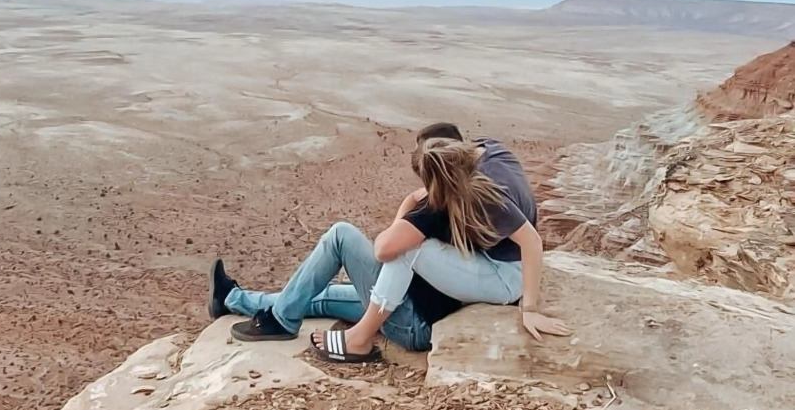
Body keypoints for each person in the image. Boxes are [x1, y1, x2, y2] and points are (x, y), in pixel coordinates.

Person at [207, 122, 569, 362]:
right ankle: (235, 300)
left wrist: (530, 308)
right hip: (417, 299)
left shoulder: (454, 204)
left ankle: (357, 339)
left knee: (349, 237)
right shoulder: (491, 152)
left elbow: (386, 250)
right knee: (319, 298)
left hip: (431, 313)